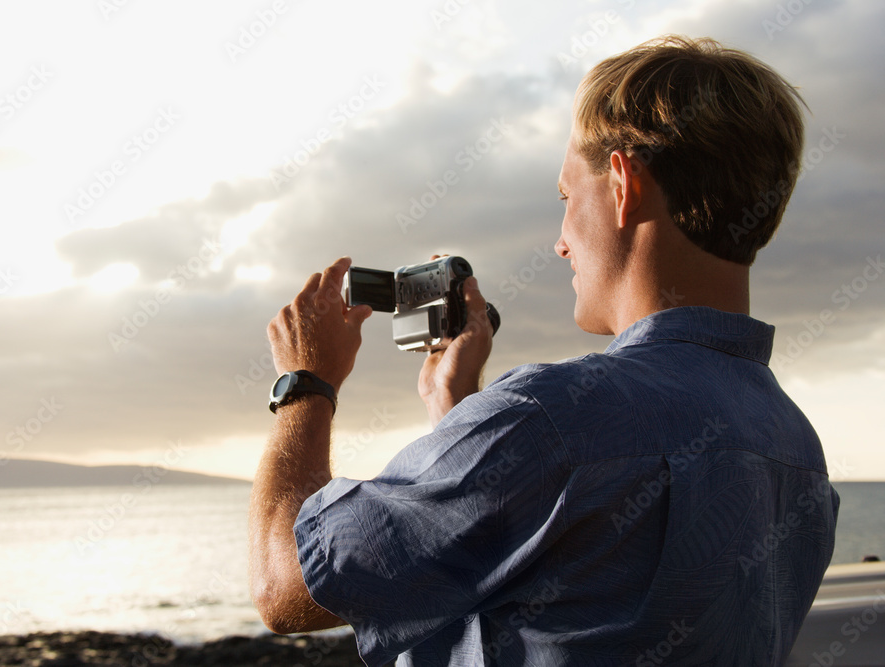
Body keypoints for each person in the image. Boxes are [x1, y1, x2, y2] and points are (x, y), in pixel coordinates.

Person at [249, 35, 839, 666]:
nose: (561, 243)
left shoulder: (551, 419)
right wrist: (456, 408)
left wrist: (306, 385)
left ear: (623, 182)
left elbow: (284, 588)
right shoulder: (796, 449)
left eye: (565, 198)